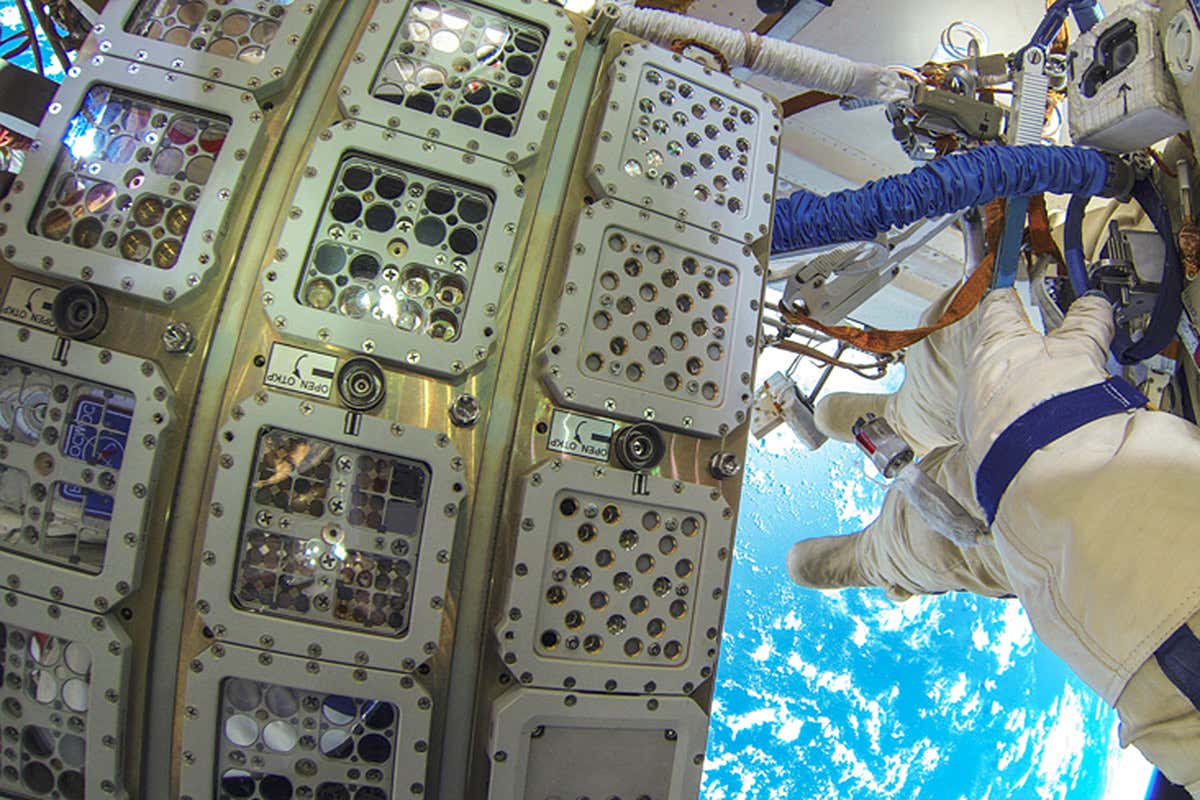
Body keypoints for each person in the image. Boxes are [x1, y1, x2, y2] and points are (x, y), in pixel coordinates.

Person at [788, 286, 1200, 793]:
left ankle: (876, 555)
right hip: (1157, 479)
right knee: (967, 322)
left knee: (947, 532)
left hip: (1114, 569)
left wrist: (1063, 425)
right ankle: (903, 420)